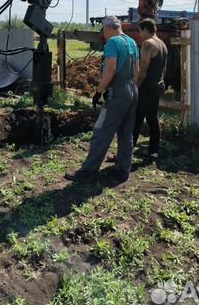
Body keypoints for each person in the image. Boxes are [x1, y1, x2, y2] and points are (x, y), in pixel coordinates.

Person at [65, 16, 139, 183]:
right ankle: (122, 169)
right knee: (126, 131)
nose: (103, 35)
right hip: (133, 89)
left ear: (107, 28)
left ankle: (88, 171)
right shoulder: (132, 42)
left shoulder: (113, 43)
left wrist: (99, 91)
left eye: (103, 31)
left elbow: (110, 68)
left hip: (119, 90)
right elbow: (137, 70)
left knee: (102, 130)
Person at [133, 18, 168, 160]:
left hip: (147, 87)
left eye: (140, 30)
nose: (140, 34)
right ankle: (153, 151)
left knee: (136, 119)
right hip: (158, 85)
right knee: (153, 119)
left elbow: (143, 70)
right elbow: (164, 68)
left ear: (146, 30)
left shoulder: (148, 44)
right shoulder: (162, 44)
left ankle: (125, 153)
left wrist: (136, 86)